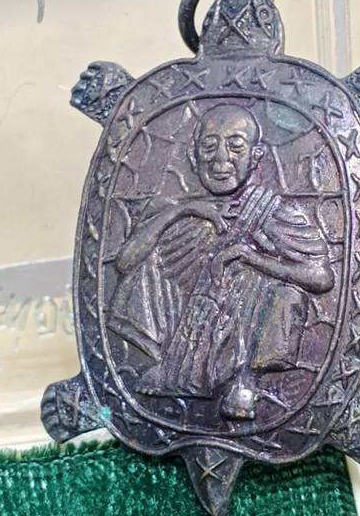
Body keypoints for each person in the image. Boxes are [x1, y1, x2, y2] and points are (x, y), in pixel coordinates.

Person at [108, 103, 334, 419]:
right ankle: (172, 363)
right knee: (149, 257)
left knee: (283, 288)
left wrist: (253, 258)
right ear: (193, 157)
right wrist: (183, 211)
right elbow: (124, 263)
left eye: (236, 147)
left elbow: (322, 278)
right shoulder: (179, 211)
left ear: (255, 157)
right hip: (186, 329)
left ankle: (245, 380)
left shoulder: (274, 211)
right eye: (209, 147)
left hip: (241, 334)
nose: (221, 160)